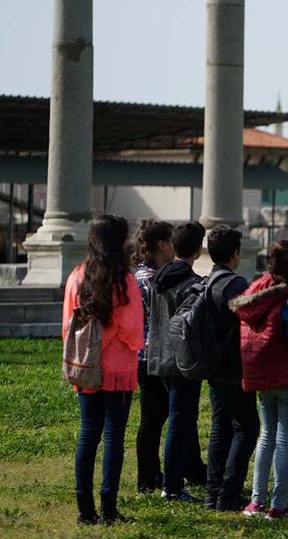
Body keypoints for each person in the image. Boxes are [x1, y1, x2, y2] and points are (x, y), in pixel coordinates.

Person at [63, 214, 144, 524]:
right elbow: (134, 331)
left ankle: (85, 510)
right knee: (113, 438)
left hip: (87, 368)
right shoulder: (125, 281)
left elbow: (68, 328)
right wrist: (112, 336)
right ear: (118, 242)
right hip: (119, 369)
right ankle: (109, 509)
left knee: (87, 436)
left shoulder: (75, 277)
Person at [233, 239, 288, 520]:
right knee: (285, 441)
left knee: (266, 436)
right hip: (287, 376)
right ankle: (278, 505)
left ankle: (256, 501)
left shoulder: (254, 293)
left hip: (260, 375)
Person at [149, 221, 208, 501]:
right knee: (180, 421)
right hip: (182, 361)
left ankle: (180, 474)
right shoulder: (193, 284)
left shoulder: (157, 279)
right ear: (198, 250)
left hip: (158, 355)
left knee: (175, 419)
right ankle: (172, 486)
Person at [202, 226, 255, 512]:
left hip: (213, 365)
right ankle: (230, 493)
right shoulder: (235, 284)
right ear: (235, 253)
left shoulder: (209, 281)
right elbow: (251, 316)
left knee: (220, 427)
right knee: (247, 427)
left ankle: (213, 492)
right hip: (234, 365)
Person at [131, 219, 174, 493]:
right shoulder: (151, 280)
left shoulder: (141, 276)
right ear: (161, 244)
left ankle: (150, 475)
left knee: (155, 418)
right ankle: (148, 477)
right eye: (170, 242)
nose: (173, 248)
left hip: (144, 355)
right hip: (152, 355)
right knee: (153, 419)